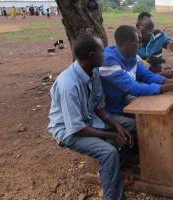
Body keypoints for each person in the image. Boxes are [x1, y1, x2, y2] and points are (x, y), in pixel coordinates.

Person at [47, 35, 132, 200]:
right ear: (92, 56)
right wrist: (113, 135)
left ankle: (111, 171)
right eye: (102, 51)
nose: (105, 55)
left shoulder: (93, 72)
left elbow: (100, 108)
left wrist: (117, 126)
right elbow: (77, 128)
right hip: (68, 131)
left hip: (89, 120)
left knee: (131, 126)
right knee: (108, 152)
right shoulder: (68, 84)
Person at [99, 25, 173, 129]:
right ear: (127, 44)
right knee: (143, 125)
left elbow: (147, 76)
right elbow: (134, 88)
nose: (140, 45)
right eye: (138, 42)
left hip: (124, 102)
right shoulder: (108, 61)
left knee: (155, 117)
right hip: (110, 111)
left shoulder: (131, 55)